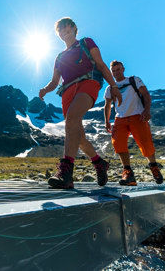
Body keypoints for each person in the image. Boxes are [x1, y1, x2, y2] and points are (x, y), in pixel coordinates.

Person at [39, 17, 122, 189]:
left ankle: (66, 173)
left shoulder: (86, 42)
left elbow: (100, 64)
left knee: (71, 120)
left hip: (88, 82)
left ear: (74, 27)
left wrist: (113, 86)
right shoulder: (59, 56)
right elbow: (55, 81)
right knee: (79, 136)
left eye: (65, 27)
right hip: (67, 91)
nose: (63, 31)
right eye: (59, 30)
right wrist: (45, 90)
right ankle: (99, 162)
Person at [104, 60, 163, 186]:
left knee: (146, 144)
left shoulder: (133, 80)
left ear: (123, 69)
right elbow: (107, 105)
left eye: (118, 69)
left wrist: (147, 110)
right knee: (118, 143)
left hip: (138, 116)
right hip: (120, 118)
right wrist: (107, 121)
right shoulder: (110, 87)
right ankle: (128, 173)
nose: (116, 72)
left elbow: (146, 94)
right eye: (113, 71)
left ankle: (153, 167)